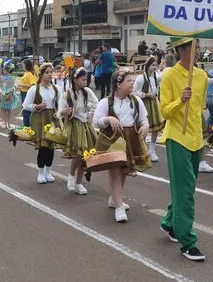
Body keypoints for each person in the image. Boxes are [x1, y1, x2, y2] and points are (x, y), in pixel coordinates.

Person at [157, 38, 208, 261]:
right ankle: (188, 241)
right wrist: (180, 100)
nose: (198, 52)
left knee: (186, 188)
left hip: (196, 139)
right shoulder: (168, 75)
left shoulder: (202, 76)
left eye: (199, 47)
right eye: (194, 47)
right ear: (181, 50)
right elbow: (164, 112)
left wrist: (206, 132)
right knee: (185, 191)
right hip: (177, 138)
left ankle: (169, 222)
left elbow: (200, 109)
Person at [92, 70, 151, 223]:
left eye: (132, 81)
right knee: (115, 171)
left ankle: (114, 199)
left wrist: (145, 126)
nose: (132, 83)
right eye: (128, 81)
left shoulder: (136, 100)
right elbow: (96, 121)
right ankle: (119, 205)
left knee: (124, 170)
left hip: (130, 138)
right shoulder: (106, 102)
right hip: (113, 139)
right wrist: (109, 119)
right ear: (118, 84)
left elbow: (144, 119)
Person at [57, 67, 98, 195]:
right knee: (77, 153)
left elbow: (96, 104)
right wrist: (64, 112)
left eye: (86, 79)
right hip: (74, 126)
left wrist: (91, 113)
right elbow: (59, 112)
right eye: (83, 79)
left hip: (86, 125)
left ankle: (79, 182)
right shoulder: (67, 94)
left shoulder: (88, 92)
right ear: (75, 79)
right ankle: (71, 175)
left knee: (86, 155)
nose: (86, 82)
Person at [23, 63, 61, 184]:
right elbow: (25, 105)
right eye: (47, 72)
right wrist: (37, 106)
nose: (50, 75)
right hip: (40, 118)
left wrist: (60, 112)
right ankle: (40, 173)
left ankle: (48, 171)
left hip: (52, 118)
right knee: (43, 146)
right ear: (41, 74)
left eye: (51, 72)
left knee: (51, 146)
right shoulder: (34, 89)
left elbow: (61, 104)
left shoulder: (57, 88)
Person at [133, 56, 164, 162]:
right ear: (148, 65)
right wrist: (146, 94)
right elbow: (134, 92)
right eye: (152, 65)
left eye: (156, 65)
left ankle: (152, 150)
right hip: (144, 104)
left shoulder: (156, 76)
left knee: (156, 128)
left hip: (154, 103)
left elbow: (166, 76)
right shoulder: (141, 78)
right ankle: (142, 150)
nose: (154, 67)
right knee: (144, 127)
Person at [0, 61, 19, 130]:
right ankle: (5, 123)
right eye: (3, 69)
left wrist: (10, 94)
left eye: (5, 69)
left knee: (9, 110)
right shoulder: (0, 78)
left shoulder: (12, 78)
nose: (3, 71)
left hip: (9, 96)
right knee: (3, 110)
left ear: (8, 70)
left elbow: (15, 87)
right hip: (2, 95)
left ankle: (9, 123)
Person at [18, 59, 37, 127]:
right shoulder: (26, 73)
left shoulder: (30, 74)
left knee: (27, 110)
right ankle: (26, 125)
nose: (22, 66)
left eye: (23, 64)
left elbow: (33, 85)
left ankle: (28, 126)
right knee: (25, 110)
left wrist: (21, 85)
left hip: (27, 94)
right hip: (23, 92)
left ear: (26, 65)